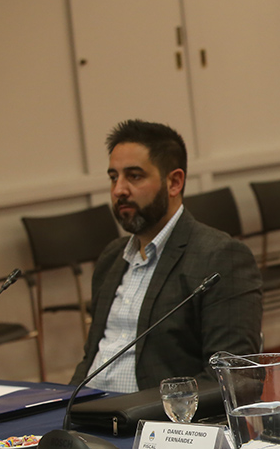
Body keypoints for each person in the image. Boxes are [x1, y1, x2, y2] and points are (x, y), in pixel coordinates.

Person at [71, 119, 262, 393]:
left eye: (134, 176)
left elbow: (235, 379)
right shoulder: (112, 258)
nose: (119, 190)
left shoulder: (219, 257)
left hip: (151, 415)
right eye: (114, 177)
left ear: (174, 182)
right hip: (87, 411)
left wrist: (131, 410)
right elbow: (91, 358)